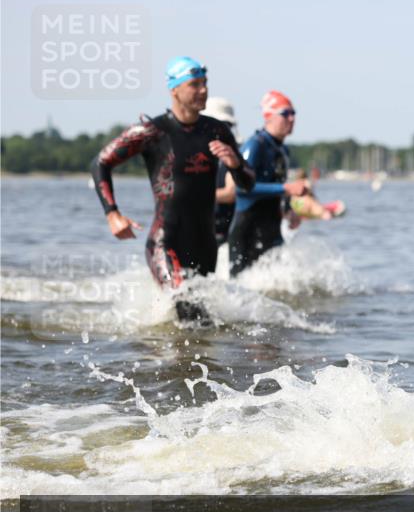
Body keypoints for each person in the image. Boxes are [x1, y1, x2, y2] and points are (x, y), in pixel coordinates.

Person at [91, 57, 255, 320]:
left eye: (205, 83)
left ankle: (190, 361)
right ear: (174, 90)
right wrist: (112, 213)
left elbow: (248, 183)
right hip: (165, 241)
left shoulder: (217, 130)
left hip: (205, 242)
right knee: (184, 305)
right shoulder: (152, 132)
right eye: (194, 84)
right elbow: (100, 162)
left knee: (201, 319)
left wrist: (235, 164)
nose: (203, 90)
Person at [228, 90, 309, 276]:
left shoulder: (283, 150)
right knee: (241, 292)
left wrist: (288, 209)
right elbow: (241, 188)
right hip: (247, 230)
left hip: (271, 229)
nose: (291, 118)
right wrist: (286, 188)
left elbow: (277, 184)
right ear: (268, 116)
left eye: (293, 113)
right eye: (285, 113)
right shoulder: (255, 145)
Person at [203, 97, 241, 246]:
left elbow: (230, 193)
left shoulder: (230, 155)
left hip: (222, 232)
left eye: (224, 126)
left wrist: (193, 196)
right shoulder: (198, 153)